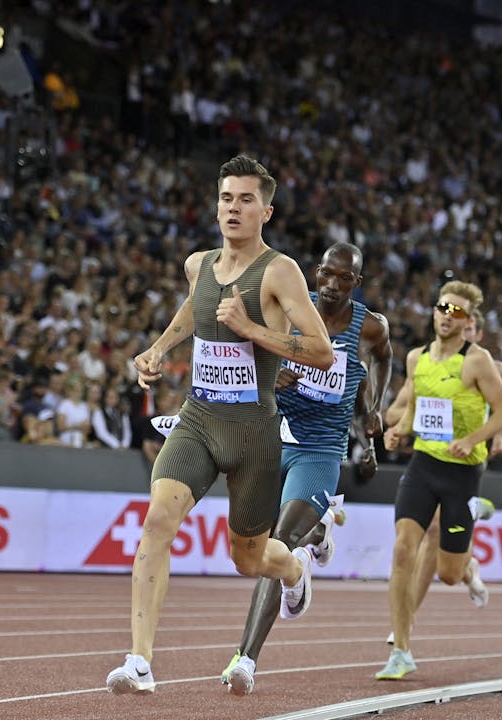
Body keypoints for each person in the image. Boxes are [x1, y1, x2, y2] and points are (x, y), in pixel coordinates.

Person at [105, 155, 334, 695]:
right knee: (158, 520)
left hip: (253, 430)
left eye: (246, 200)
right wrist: (158, 349)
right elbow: (195, 307)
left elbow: (322, 351)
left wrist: (252, 329)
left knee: (248, 559)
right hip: (199, 419)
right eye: (227, 198)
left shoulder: (280, 271)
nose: (234, 208)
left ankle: (294, 569)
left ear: (266, 211)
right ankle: (140, 662)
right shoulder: (198, 264)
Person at [219, 241, 392, 696]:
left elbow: (384, 358)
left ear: (357, 283)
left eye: (344, 278)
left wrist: (375, 406)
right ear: (316, 273)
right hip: (271, 436)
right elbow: (246, 345)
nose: (333, 285)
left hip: (320, 450)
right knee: (253, 548)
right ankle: (314, 540)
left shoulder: (370, 327)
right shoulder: (291, 307)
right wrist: (269, 372)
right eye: (327, 274)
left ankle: (245, 659)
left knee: (278, 541)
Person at [377, 280, 502, 680]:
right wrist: (399, 430)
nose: (447, 316)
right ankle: (401, 651)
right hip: (423, 465)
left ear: (468, 320)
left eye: (456, 312)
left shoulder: (478, 361)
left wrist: (471, 440)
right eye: (442, 307)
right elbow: (415, 408)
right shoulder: (416, 358)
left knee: (449, 573)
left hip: (462, 472)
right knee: (403, 550)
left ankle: (468, 562)